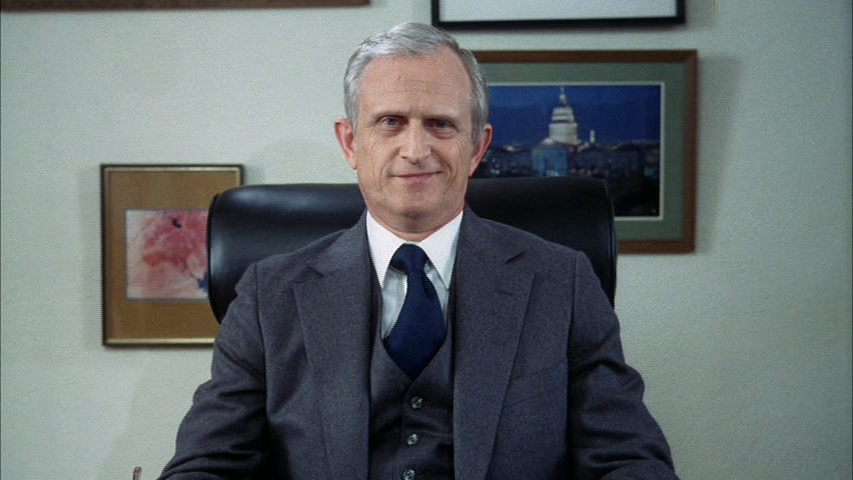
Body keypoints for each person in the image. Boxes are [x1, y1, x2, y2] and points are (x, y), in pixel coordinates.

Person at [160, 22, 678, 480]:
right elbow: (210, 462)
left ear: (477, 147)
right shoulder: (268, 296)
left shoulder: (562, 282)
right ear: (350, 143)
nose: (415, 150)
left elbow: (626, 458)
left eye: (440, 124)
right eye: (390, 122)